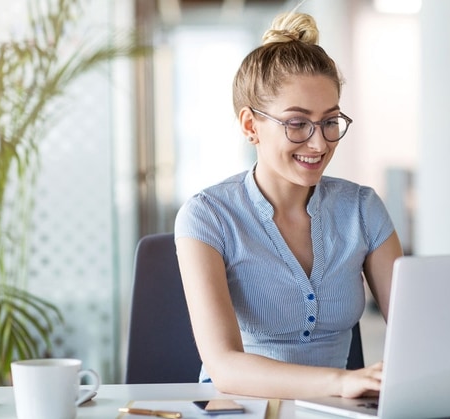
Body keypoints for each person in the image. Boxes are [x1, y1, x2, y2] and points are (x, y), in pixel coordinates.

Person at [173, 10, 403, 400]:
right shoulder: (207, 216)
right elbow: (224, 366)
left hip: (336, 410)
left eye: (330, 121)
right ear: (250, 126)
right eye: (297, 123)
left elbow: (416, 334)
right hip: (240, 407)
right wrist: (341, 382)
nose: (319, 144)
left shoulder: (362, 209)